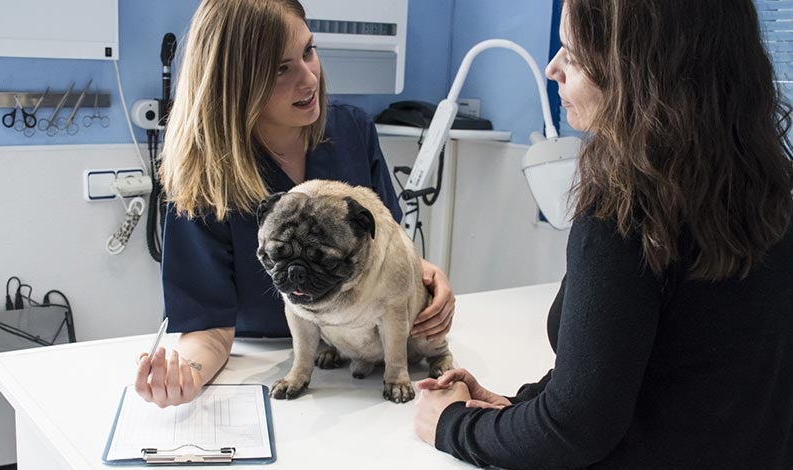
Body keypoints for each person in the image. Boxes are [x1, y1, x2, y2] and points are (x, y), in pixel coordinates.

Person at [414, 0, 793, 468]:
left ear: (636, 73)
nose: (553, 68)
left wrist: (451, 424)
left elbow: (573, 430)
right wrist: (515, 410)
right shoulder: (769, 189)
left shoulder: (628, 212)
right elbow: (669, 380)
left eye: (572, 55)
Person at [134, 0, 455, 407]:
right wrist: (186, 375)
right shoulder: (206, 179)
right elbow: (208, 328)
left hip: (363, 365)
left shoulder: (352, 129)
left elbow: (388, 245)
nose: (309, 79)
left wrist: (429, 279)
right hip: (267, 364)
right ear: (233, 84)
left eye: (308, 51)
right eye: (280, 69)